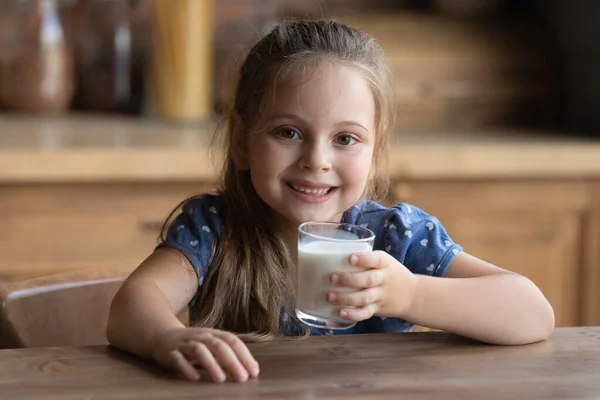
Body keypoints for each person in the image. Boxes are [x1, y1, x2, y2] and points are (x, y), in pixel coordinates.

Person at [107, 19, 555, 384]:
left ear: (374, 153)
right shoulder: (216, 228)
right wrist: (166, 337)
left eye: (345, 138)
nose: (316, 161)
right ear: (241, 141)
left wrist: (410, 293)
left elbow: (531, 312)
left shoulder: (396, 238)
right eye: (289, 132)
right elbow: (134, 302)